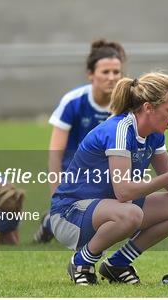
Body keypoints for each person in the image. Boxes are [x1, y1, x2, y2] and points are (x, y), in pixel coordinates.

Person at [50, 72, 168, 285]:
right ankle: (81, 262)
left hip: (111, 209)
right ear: (148, 108)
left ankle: (118, 264)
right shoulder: (120, 130)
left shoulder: (155, 134)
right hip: (69, 214)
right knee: (132, 213)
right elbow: (123, 192)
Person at [34, 39, 126, 243]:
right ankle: (52, 221)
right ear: (91, 75)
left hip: (109, 177)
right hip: (75, 180)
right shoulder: (73, 102)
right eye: (105, 72)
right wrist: (55, 197)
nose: (112, 78)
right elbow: (55, 154)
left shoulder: (125, 104)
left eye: (116, 72)